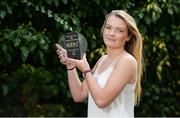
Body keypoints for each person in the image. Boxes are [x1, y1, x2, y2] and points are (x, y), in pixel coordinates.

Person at [56, 10, 143, 117]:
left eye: (119, 30)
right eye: (108, 27)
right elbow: (79, 95)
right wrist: (70, 65)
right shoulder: (102, 60)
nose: (112, 33)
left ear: (128, 36)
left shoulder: (127, 61)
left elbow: (101, 100)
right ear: (103, 30)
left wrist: (86, 70)